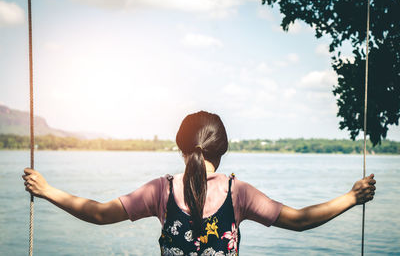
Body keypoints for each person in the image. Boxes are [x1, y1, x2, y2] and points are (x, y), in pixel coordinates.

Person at [22, 111, 376, 255]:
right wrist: (351, 197)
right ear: (222, 150)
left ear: (181, 148)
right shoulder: (238, 193)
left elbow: (99, 214)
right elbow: (299, 221)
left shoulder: (161, 190)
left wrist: (47, 189)